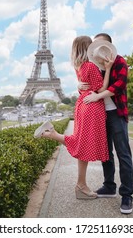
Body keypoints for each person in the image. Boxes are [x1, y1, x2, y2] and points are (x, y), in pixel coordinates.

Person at [34, 35, 115, 200]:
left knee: (82, 143)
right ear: (87, 48)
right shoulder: (91, 67)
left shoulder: (79, 66)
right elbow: (102, 89)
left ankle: (81, 185)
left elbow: (84, 87)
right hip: (92, 107)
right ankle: (51, 135)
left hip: (82, 105)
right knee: (83, 144)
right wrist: (107, 70)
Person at [81, 33, 133, 214]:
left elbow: (119, 85)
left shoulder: (120, 62)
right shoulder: (94, 65)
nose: (96, 48)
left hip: (117, 114)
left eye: (99, 44)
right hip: (100, 115)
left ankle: (127, 195)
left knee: (123, 153)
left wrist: (98, 96)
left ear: (109, 45)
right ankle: (109, 186)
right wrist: (80, 87)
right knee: (106, 153)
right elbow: (89, 84)